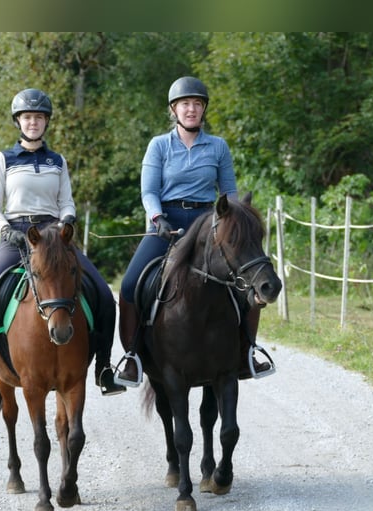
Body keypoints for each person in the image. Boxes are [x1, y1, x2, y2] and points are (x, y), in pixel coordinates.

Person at [0, 88, 125, 400]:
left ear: (46, 123)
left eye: (39, 117)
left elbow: (66, 201)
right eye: (28, 117)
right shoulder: (4, 159)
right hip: (15, 234)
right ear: (19, 121)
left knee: (103, 295)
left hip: (54, 236)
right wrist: (6, 230)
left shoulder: (58, 161)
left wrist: (67, 221)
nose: (33, 122)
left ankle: (104, 368)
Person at [115, 76, 274, 387]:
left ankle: (247, 351)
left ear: (203, 110)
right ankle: (133, 356)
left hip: (208, 222)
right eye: (185, 104)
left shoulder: (218, 147)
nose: (191, 109)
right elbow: (148, 191)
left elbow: (228, 193)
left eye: (197, 104)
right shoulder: (159, 145)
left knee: (244, 283)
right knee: (131, 284)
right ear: (174, 109)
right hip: (166, 223)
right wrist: (157, 217)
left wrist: (232, 221)